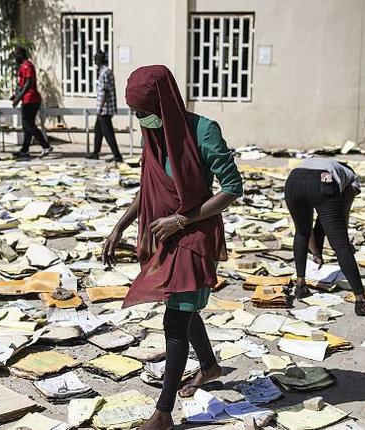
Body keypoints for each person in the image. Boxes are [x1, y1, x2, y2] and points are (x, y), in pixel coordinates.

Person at [102, 65, 242, 430]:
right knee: (182, 305)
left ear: (163, 104)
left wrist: (182, 220)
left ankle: (163, 413)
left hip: (193, 238)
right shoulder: (155, 136)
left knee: (175, 320)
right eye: (135, 115)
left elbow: (231, 187)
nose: (140, 121)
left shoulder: (202, 130)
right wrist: (120, 226)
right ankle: (209, 367)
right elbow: (148, 186)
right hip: (165, 239)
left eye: (143, 113)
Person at [284, 159, 365, 316]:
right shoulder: (352, 178)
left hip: (293, 180)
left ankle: (300, 286)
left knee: (301, 232)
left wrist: (317, 252)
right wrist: (340, 236)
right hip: (321, 182)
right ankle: (362, 302)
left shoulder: (324, 164)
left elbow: (311, 228)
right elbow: (343, 211)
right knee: (341, 246)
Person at [12, 47, 52, 158]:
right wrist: (16, 95)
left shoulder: (27, 66)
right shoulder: (22, 67)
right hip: (27, 98)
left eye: (15, 55)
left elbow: (29, 83)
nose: (14, 58)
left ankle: (45, 145)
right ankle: (25, 149)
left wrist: (18, 97)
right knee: (27, 126)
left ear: (20, 55)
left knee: (28, 124)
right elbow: (22, 84)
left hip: (31, 99)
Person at [87, 50, 123, 162]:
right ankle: (95, 153)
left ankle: (117, 156)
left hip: (105, 109)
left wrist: (101, 108)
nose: (94, 62)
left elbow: (106, 91)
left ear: (99, 60)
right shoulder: (103, 71)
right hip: (103, 108)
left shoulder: (105, 72)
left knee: (108, 133)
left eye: (95, 59)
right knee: (98, 131)